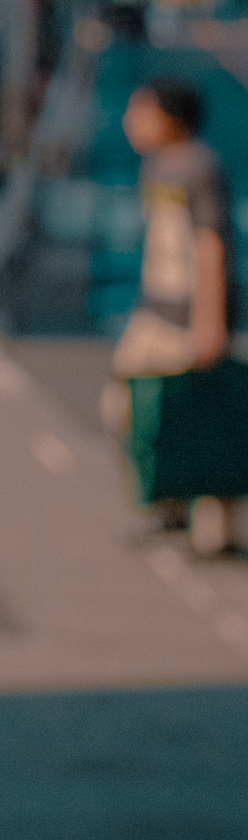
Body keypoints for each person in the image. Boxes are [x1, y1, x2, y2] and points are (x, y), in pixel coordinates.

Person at [112, 78, 241, 554]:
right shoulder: (157, 167)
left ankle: (216, 527)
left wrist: (211, 321)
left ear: (171, 118)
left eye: (141, 111)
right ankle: (167, 503)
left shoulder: (200, 167)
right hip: (155, 310)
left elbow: (211, 246)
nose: (130, 121)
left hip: (192, 314)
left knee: (206, 414)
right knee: (129, 405)